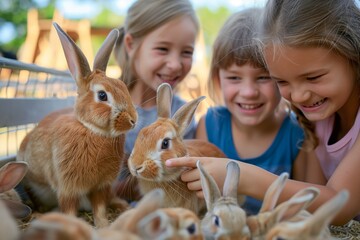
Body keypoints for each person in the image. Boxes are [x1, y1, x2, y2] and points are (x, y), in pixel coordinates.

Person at [166, 0, 360, 226]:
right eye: (281, 81)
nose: (297, 97)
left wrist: (240, 176)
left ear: (353, 56)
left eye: (313, 77)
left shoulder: (301, 125)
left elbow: (339, 206)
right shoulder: (317, 114)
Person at [195, 7, 307, 215]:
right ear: (218, 78)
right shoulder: (209, 124)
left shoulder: (296, 134)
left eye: (263, 77)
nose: (248, 92)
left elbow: (310, 204)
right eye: (234, 77)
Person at [112, 0, 200, 200]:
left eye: (187, 52)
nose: (175, 64)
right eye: (162, 49)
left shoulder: (180, 113)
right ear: (131, 45)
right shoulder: (108, 104)